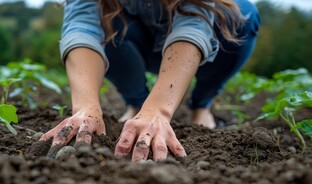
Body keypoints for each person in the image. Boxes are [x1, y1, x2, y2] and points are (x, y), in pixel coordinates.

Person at [40, 0, 260, 162]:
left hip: (192, 43)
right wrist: (86, 107)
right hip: (131, 39)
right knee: (104, 15)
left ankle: (201, 105)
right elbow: (82, 27)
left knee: (241, 15)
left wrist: (160, 110)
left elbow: (193, 24)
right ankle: (137, 103)